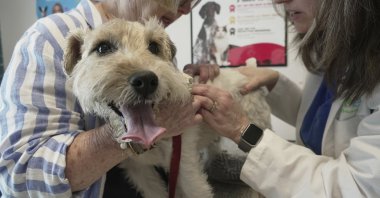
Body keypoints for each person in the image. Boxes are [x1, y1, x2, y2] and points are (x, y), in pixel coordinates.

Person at [0, 0, 220, 197]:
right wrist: (121, 138)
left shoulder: (156, 40)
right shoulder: (48, 38)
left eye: (153, 48)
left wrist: (185, 78)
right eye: (104, 48)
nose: (186, 8)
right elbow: (17, 176)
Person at [190, 0, 380, 197]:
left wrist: (243, 130)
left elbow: (357, 187)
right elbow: (321, 123)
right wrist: (275, 83)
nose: (279, 1)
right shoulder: (337, 53)